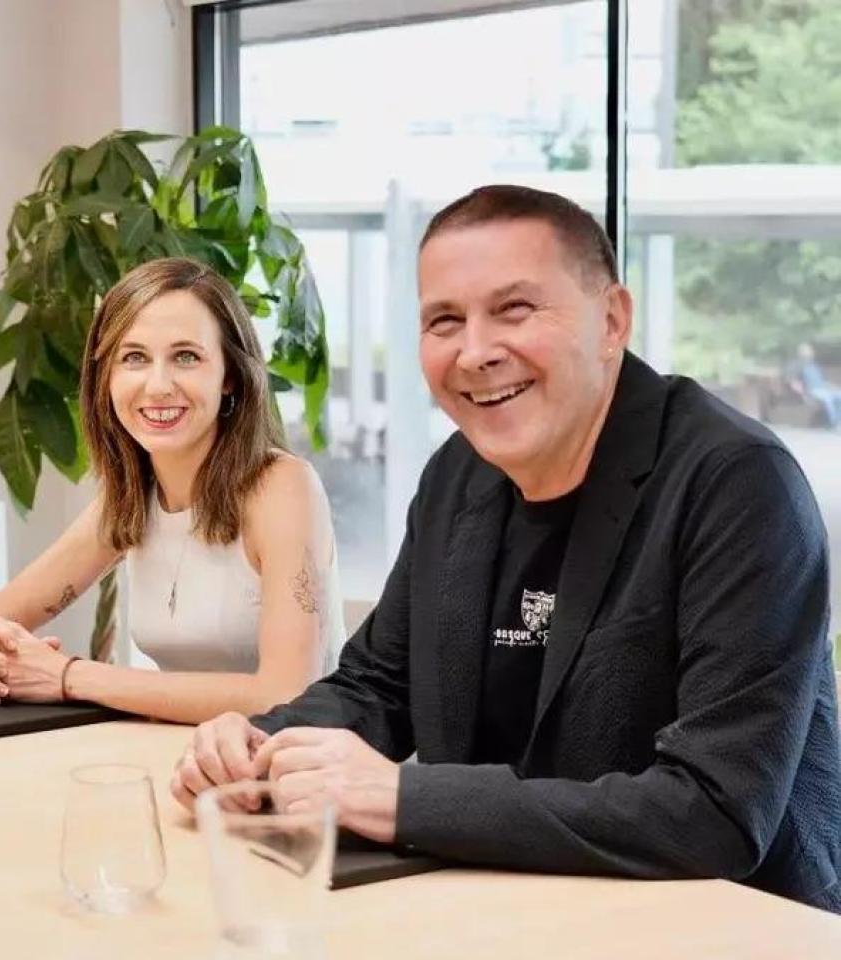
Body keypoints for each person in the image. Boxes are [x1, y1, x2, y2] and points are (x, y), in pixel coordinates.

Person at [170, 185, 841, 912]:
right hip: (503, 904)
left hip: (727, 924)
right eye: (444, 321)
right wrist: (260, 745)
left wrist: (403, 798)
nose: (476, 351)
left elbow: (714, 813)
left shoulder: (736, 481)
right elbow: (380, 684)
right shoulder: (458, 472)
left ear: (612, 320)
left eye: (515, 310)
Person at [0, 257, 345, 725]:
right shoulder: (130, 498)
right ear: (106, 376)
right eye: (134, 357)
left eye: (186, 357)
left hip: (293, 760)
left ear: (230, 377)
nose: (158, 386)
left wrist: (67, 677)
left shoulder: (282, 488)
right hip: (182, 751)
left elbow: (286, 694)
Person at [791, 342, 841, 428]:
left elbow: (824, 381)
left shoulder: (815, 365)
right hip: (812, 390)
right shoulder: (797, 365)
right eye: (807, 351)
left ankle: (839, 420)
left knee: (839, 395)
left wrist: (834, 387)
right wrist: (803, 395)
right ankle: (834, 423)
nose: (810, 352)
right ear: (801, 353)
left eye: (810, 350)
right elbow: (794, 382)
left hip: (823, 388)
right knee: (828, 398)